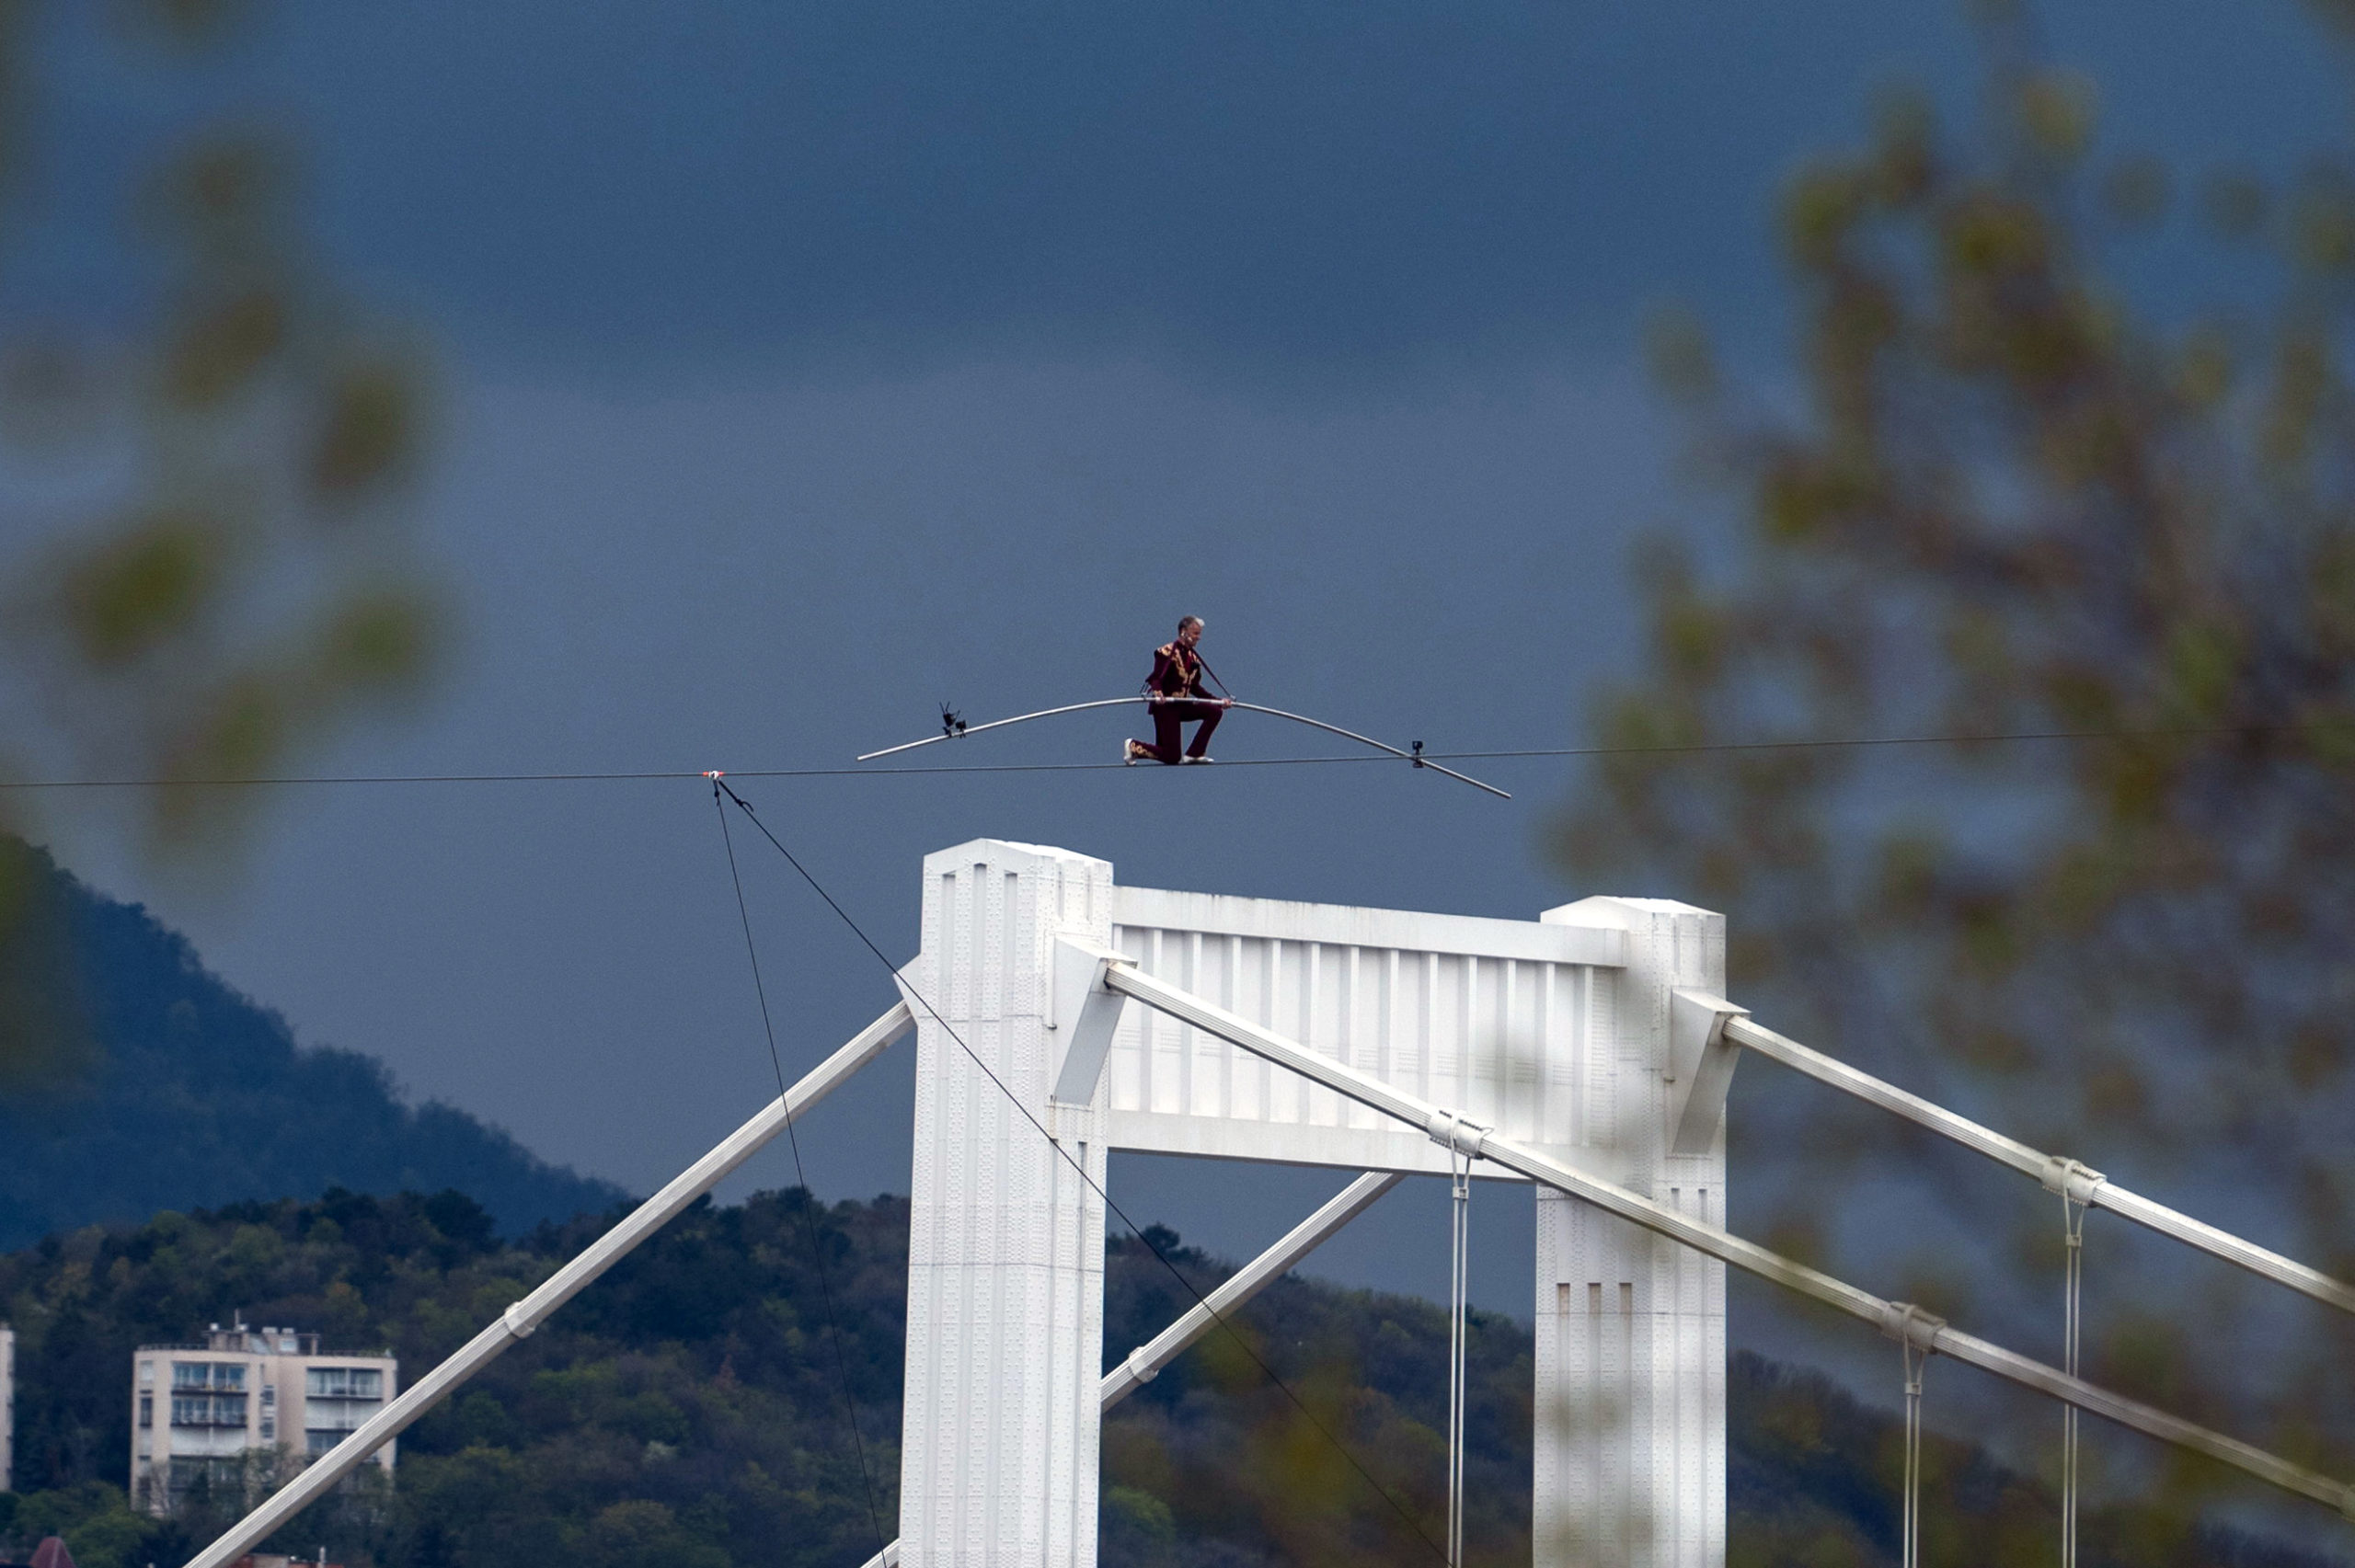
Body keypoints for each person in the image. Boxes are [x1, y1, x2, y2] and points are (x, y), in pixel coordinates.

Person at [1126, 614, 1231, 764]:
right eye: (1195, 633)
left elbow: (1195, 688)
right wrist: (1158, 693)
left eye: (1199, 634)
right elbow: (1156, 677)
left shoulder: (1194, 658)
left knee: (1214, 711)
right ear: (1183, 632)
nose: (1198, 638)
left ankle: (1195, 753)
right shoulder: (1166, 652)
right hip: (1165, 707)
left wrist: (1218, 701)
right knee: (1171, 756)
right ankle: (1133, 746)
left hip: (1182, 705)